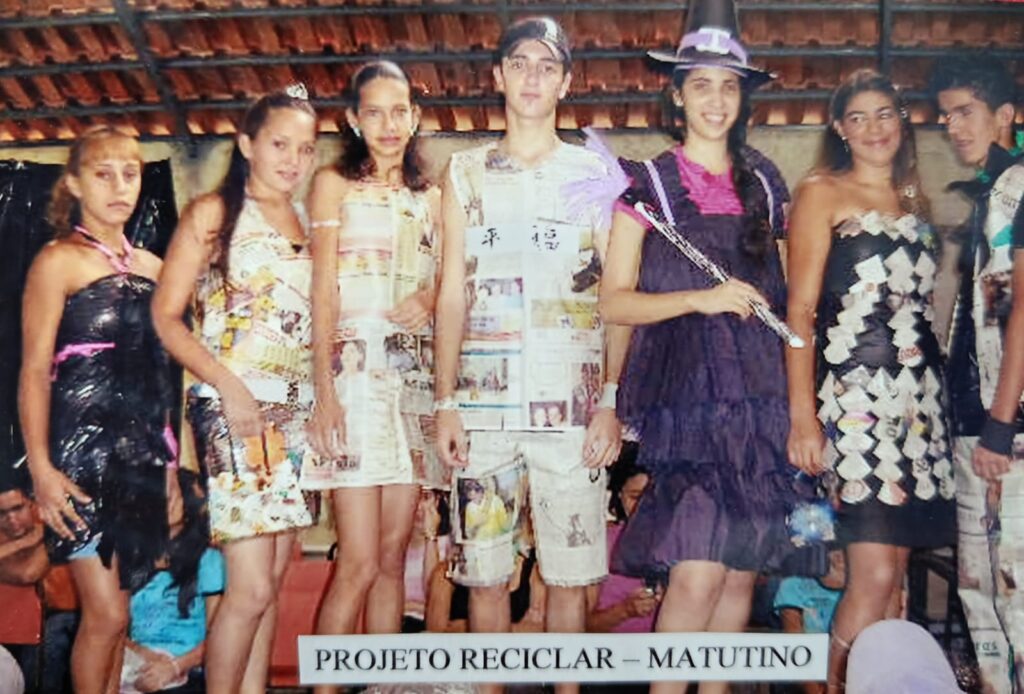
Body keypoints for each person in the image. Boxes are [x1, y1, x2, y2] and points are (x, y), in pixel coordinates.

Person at [598, 1, 799, 692]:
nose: (716, 99)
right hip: (690, 403)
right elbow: (613, 302)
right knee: (695, 576)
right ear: (677, 95)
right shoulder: (646, 184)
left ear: (743, 98)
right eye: (702, 84)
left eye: (729, 86)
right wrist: (700, 298)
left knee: (740, 576)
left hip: (761, 400)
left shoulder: (766, 182)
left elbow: (787, 296)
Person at [434, 15, 627, 694]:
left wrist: (610, 401)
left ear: (566, 82)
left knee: (569, 579)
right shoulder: (464, 172)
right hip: (481, 411)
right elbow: (450, 294)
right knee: (485, 576)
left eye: (547, 66)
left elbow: (614, 297)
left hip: (572, 411)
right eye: (519, 63)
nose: (532, 78)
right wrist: (445, 401)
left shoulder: (596, 173)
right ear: (499, 75)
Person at [785, 68, 955, 690]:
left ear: (901, 121)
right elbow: (800, 312)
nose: (873, 128)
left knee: (895, 588)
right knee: (873, 578)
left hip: (921, 411)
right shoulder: (821, 192)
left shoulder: (915, 200)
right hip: (856, 407)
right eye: (858, 117)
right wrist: (803, 417)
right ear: (840, 129)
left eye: (884, 113)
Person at [151, 87, 317, 694]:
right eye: (280, 144)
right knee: (247, 588)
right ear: (247, 144)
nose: (293, 160)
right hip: (233, 410)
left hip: (295, 413)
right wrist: (228, 386)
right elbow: (166, 317)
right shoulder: (213, 214)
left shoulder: (308, 221)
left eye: (305, 148)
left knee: (269, 584)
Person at [18, 125, 172, 694]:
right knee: (104, 613)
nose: (119, 187)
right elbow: (33, 371)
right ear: (76, 184)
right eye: (103, 174)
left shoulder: (155, 267)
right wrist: (41, 468)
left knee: (120, 617)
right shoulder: (57, 261)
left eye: (129, 174)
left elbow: (163, 377)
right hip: (80, 457)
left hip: (141, 458)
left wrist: (171, 467)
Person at [302, 62, 441, 665]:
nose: (389, 124)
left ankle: (385, 680)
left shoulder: (432, 197)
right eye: (375, 112)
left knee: (391, 557)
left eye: (399, 111)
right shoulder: (333, 184)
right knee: (356, 563)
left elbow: (452, 281)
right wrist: (323, 394)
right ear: (354, 120)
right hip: (352, 384)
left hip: (411, 385)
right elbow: (321, 291)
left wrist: (428, 298)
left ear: (415, 117)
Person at [929, 55, 1024, 693]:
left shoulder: (1020, 186)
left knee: (1015, 589)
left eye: (965, 112)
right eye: (946, 116)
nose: (953, 127)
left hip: (1005, 429)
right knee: (978, 593)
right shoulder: (991, 190)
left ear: (1005, 114)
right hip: (972, 421)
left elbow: (1022, 312)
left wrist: (1001, 422)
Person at [121, 470, 224, 694]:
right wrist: (143, 654)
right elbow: (115, 628)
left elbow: (220, 637)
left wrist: (175, 666)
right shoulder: (132, 559)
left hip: (189, 668)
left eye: (173, 496)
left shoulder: (208, 560)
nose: (165, 504)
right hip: (137, 665)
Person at [586, 443, 659, 635]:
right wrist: (624, 610)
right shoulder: (601, 543)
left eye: (653, 499)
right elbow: (579, 627)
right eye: (635, 497)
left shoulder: (684, 546)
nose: (643, 509)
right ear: (620, 495)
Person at [773, 550, 846, 694]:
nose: (840, 552)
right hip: (805, 671)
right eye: (834, 545)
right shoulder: (794, 585)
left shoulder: (870, 589)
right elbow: (795, 646)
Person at [0, 476, 47, 586]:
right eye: (1, 513)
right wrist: (23, 543)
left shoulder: (52, 529)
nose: (12, 520)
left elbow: (28, 574)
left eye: (18, 508)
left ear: (32, 504)